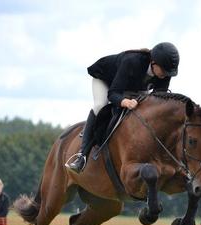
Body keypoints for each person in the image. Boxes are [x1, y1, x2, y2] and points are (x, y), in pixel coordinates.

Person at [66, 42, 180, 173]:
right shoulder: (132, 61)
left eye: (169, 72)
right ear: (153, 62)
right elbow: (113, 94)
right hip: (107, 80)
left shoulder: (165, 73)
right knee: (100, 105)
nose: (166, 75)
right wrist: (124, 102)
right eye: (164, 71)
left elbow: (158, 101)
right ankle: (81, 156)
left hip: (134, 87)